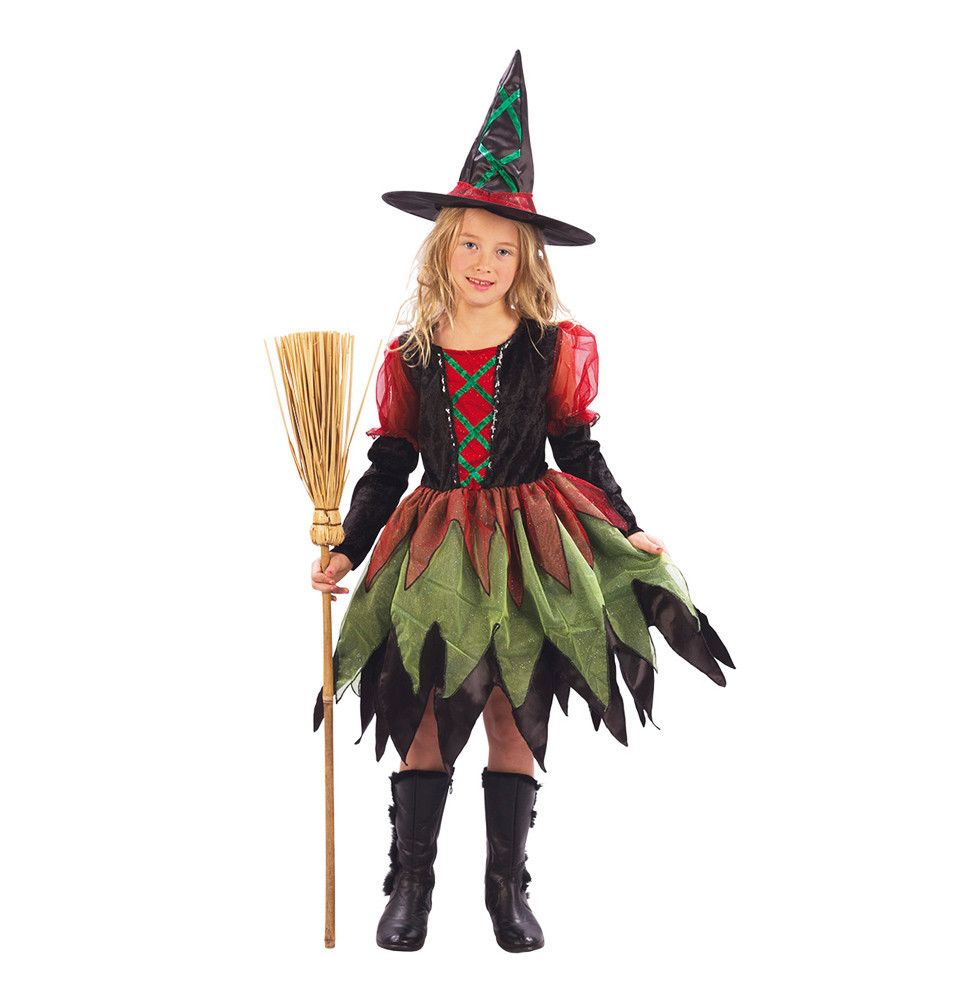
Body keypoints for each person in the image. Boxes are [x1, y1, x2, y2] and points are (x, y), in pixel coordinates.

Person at [309, 51, 734, 953]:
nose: (486, 262)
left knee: (512, 706)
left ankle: (507, 886)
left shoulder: (550, 347)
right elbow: (390, 463)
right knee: (427, 706)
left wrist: (627, 527)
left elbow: (578, 449)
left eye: (505, 250)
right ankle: (411, 883)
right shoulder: (414, 355)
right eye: (471, 243)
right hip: (436, 550)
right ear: (442, 246)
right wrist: (348, 546)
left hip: (526, 546)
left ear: (526, 260)